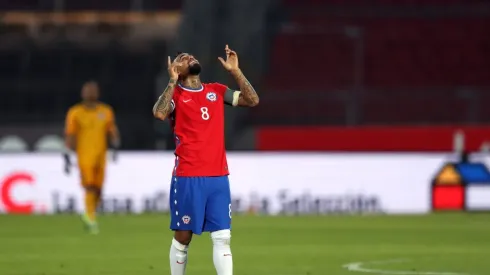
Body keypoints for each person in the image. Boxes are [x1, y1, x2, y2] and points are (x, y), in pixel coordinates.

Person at [152, 45, 259, 275]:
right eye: (182, 58)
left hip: (218, 176)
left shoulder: (217, 91)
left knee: (223, 237)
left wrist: (236, 71)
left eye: (190, 55)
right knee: (183, 236)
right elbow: (160, 113)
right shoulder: (177, 96)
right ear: (177, 69)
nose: (189, 57)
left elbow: (252, 100)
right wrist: (171, 81)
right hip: (188, 176)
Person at [64, 81, 120, 234]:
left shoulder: (106, 111)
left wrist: (115, 146)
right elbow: (70, 134)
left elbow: (112, 130)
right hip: (84, 155)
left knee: (99, 189)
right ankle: (91, 218)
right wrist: (67, 153)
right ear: (82, 93)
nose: (90, 93)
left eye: (92, 90)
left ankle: (89, 214)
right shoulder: (75, 112)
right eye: (87, 90)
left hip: (101, 155)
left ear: (97, 93)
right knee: (89, 185)